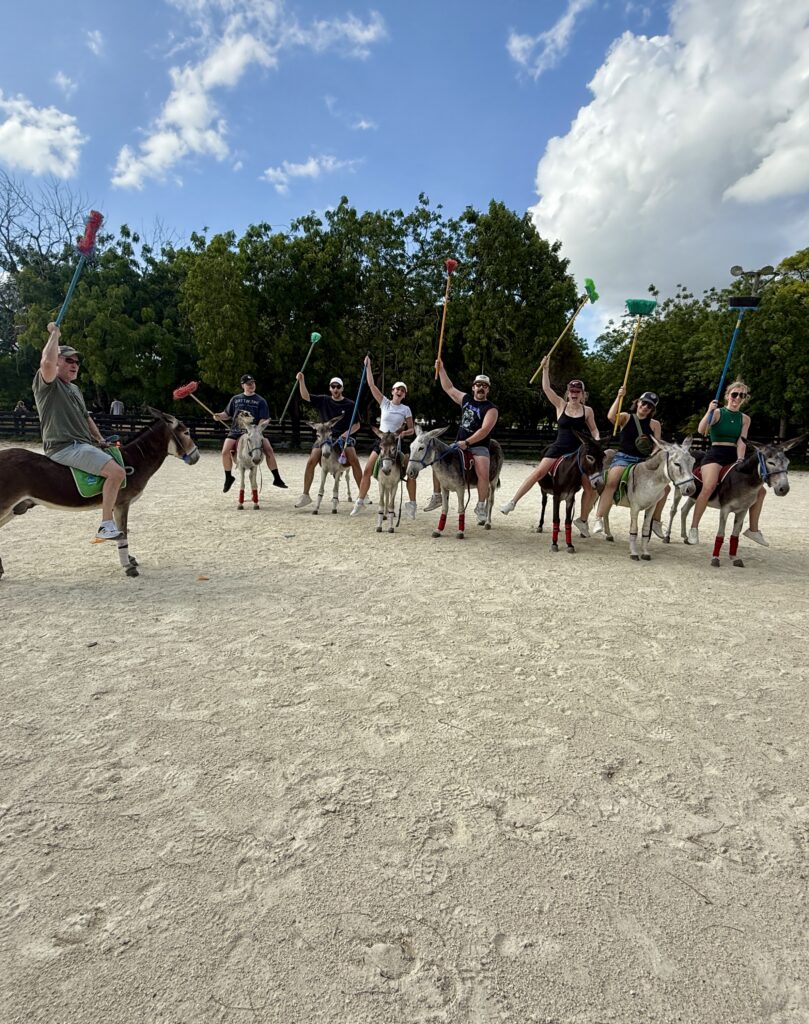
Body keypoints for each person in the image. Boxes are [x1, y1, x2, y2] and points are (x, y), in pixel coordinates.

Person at [32, 322, 126, 540]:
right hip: (64, 447)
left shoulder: (74, 389)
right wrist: (55, 335)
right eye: (69, 360)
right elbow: (47, 361)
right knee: (117, 473)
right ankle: (106, 524)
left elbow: (86, 417)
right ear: (58, 362)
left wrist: (100, 439)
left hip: (84, 444)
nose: (75, 365)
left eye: (77, 362)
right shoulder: (48, 383)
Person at [500, 356, 599, 532]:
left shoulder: (588, 411)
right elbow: (546, 388)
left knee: (590, 487)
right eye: (572, 391)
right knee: (538, 472)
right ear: (568, 393)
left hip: (577, 452)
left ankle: (582, 520)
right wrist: (545, 369)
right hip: (558, 448)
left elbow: (594, 430)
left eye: (578, 391)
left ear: (583, 394)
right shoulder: (560, 404)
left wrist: (597, 443)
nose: (574, 394)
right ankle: (513, 502)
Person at [687, 379, 767, 545]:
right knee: (709, 486)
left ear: (745, 398)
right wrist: (709, 410)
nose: (737, 398)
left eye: (742, 395)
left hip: (734, 455)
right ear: (727, 396)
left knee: (761, 491)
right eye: (734, 394)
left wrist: (740, 459)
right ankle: (694, 528)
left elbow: (741, 441)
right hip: (715, 454)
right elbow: (702, 430)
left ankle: (753, 530)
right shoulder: (717, 413)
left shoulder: (745, 419)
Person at [425, 362, 499, 526]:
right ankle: (437, 495)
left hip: (478, 446)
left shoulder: (491, 408)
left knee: (483, 473)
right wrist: (442, 368)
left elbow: (485, 430)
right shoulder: (465, 399)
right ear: (473, 387)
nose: (481, 388)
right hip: (459, 443)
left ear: (488, 390)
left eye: (484, 386)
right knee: (437, 460)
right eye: (478, 385)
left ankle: (481, 507)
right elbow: (449, 388)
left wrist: (468, 442)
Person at [350, 356, 417, 518]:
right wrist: (368, 367)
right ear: (392, 391)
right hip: (381, 441)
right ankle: (360, 501)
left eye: (402, 390)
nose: (399, 391)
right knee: (367, 470)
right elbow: (372, 385)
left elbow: (412, 430)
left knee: (411, 472)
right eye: (397, 389)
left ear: (404, 394)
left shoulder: (406, 409)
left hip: (397, 442)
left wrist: (401, 434)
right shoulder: (385, 403)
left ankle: (412, 504)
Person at [593, 387, 666, 536]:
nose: (645, 407)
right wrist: (619, 397)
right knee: (612, 481)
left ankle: (656, 521)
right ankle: (599, 518)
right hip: (624, 457)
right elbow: (611, 417)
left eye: (650, 406)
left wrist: (653, 454)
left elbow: (657, 446)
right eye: (644, 403)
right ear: (638, 402)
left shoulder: (655, 424)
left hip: (644, 461)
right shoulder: (626, 417)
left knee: (665, 488)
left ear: (653, 409)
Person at [293, 373, 363, 507]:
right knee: (312, 460)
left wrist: (345, 435)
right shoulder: (323, 400)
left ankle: (362, 495)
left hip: (344, 437)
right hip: (324, 436)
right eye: (333, 386)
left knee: (353, 459)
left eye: (338, 387)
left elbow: (357, 425)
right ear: (330, 388)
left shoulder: (350, 404)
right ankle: (305, 495)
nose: (336, 389)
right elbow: (305, 396)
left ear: (342, 389)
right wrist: (301, 380)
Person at [214, 374, 287, 493]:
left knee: (269, 449)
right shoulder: (235, 399)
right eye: (248, 384)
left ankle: (277, 478)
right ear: (243, 385)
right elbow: (226, 414)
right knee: (224, 451)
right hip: (236, 431)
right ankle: (228, 478)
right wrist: (218, 416)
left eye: (253, 383)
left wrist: (258, 429)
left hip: (254, 431)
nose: (251, 385)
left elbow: (263, 419)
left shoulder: (261, 401)